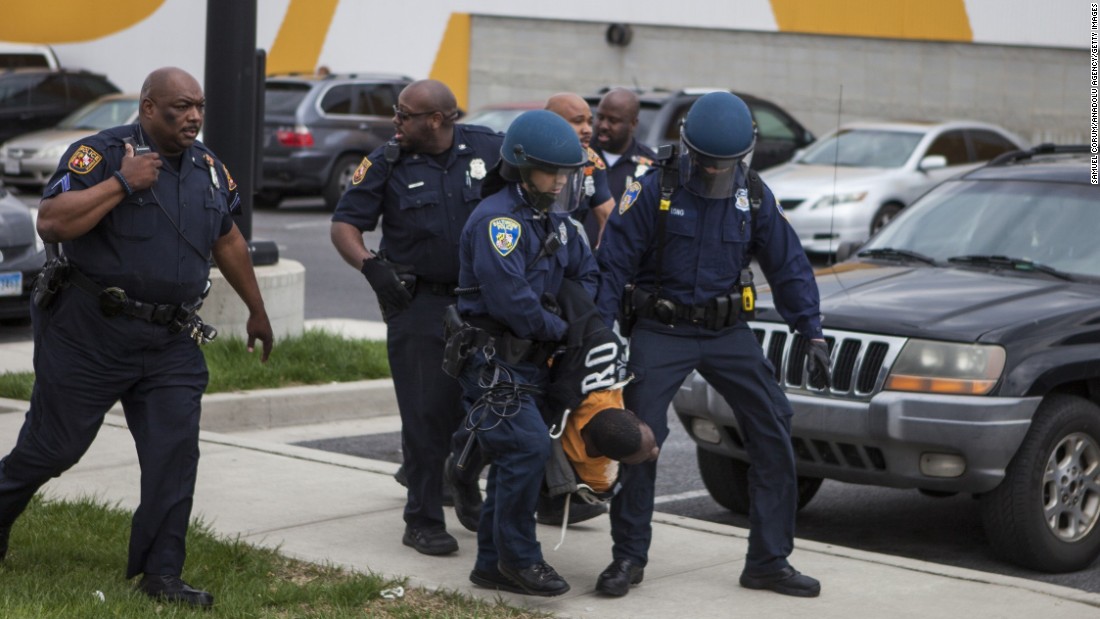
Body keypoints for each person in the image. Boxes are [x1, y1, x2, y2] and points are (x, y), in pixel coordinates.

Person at [0, 67, 274, 609]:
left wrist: (257, 311)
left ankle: (161, 574)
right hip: (89, 333)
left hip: (169, 341)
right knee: (53, 448)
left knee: (174, 455)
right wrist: (123, 182)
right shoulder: (97, 154)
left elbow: (229, 239)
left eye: (198, 106)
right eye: (179, 106)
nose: (193, 116)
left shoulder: (210, 170)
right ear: (148, 108)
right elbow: (51, 222)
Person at [595, 91, 830, 598]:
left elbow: (787, 263)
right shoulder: (652, 188)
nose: (717, 173)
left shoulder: (752, 193)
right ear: (688, 148)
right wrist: (602, 334)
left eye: (728, 164)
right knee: (641, 437)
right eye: (709, 163)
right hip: (662, 330)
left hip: (727, 333)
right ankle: (628, 558)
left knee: (773, 424)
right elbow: (612, 264)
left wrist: (810, 329)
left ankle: (769, 560)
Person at [330, 79, 498, 556]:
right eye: (396, 113)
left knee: (492, 405)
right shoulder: (386, 161)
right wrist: (371, 266)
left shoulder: (488, 148)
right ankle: (422, 518)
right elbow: (345, 225)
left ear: (437, 120)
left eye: (405, 114)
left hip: (482, 301)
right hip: (419, 304)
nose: (395, 122)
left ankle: (463, 478)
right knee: (425, 416)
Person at [452, 109, 598, 597]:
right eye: (550, 171)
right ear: (519, 166)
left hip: (531, 362)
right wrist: (562, 328)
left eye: (566, 173)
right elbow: (512, 303)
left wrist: (575, 316)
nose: (560, 181)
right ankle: (520, 559)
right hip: (494, 361)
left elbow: (586, 272)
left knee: (515, 457)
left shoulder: (551, 217)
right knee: (528, 448)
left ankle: (492, 564)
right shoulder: (500, 222)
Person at [545, 92, 615, 249]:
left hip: (569, 251)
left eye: (590, 123)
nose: (587, 130)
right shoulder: (526, 155)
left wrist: (601, 260)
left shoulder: (592, 162)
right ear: (551, 122)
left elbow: (609, 219)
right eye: (578, 122)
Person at [591, 87, 657, 214]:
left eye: (613, 120)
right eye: (600, 117)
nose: (603, 126)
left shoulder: (651, 167)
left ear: (633, 123)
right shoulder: (581, 155)